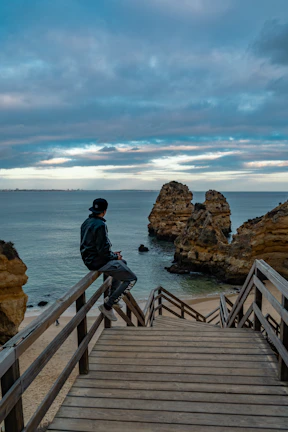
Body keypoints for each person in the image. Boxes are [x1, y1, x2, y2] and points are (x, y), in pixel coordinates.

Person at [80, 198, 137, 322]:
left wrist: (113, 255)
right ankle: (108, 305)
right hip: (97, 262)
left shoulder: (87, 222)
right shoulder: (100, 224)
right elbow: (102, 250)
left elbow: (95, 247)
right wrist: (115, 256)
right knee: (132, 279)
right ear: (104, 211)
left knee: (123, 263)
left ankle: (112, 297)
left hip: (89, 259)